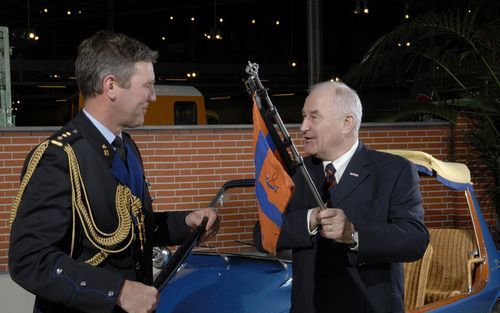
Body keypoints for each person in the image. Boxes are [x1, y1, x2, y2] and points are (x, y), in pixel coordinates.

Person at [8, 30, 219, 313]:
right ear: (110, 86)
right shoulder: (58, 157)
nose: (154, 97)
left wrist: (185, 224)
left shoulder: (126, 147)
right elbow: (29, 260)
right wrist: (116, 291)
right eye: (147, 86)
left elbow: (129, 228)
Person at [253, 81, 429, 313]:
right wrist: (307, 221)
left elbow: (414, 239)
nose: (303, 127)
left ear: (347, 123)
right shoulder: (294, 174)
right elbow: (262, 234)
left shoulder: (393, 170)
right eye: (303, 116)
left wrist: (354, 234)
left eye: (314, 117)